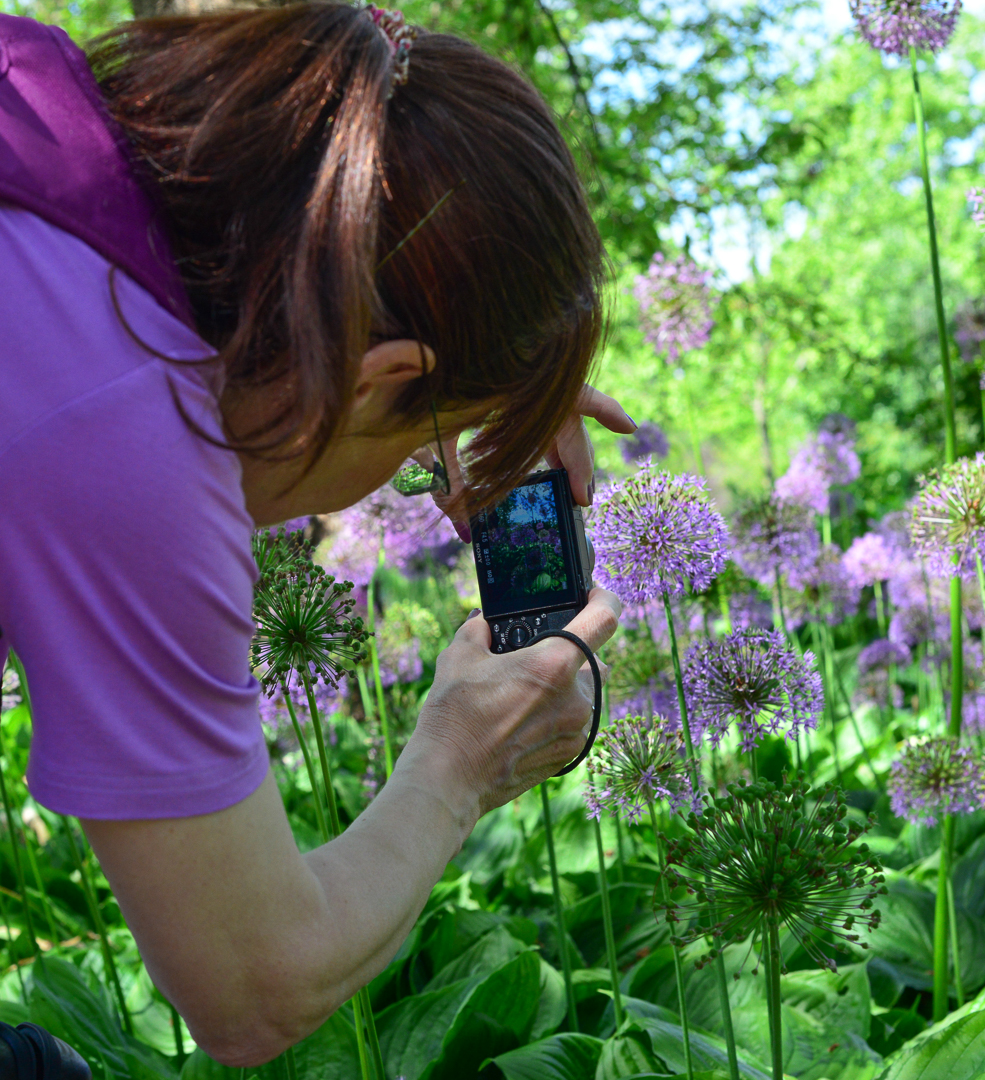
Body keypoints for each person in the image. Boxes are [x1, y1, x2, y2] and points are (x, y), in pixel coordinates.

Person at [0, 3, 634, 1067]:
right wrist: (462, 761)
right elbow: (255, 986)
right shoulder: (124, 429)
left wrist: (502, 375)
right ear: (386, 374)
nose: (420, 479)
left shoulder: (39, 97)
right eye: (429, 446)